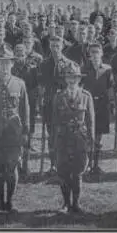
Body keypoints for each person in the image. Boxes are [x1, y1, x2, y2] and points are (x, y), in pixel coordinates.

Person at [0, 49, 30, 213]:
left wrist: (25, 131)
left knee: (12, 165)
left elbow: (24, 109)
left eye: (7, 62)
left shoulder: (20, 83)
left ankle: (9, 202)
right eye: (1, 62)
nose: (4, 65)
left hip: (13, 130)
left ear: (12, 64)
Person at [51, 62, 95, 214]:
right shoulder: (58, 96)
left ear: (79, 79)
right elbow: (54, 121)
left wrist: (91, 141)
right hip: (63, 138)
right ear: (65, 79)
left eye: (74, 77)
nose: (71, 80)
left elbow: (90, 121)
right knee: (63, 171)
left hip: (79, 139)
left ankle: (75, 204)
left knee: (77, 172)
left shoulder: (86, 96)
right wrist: (54, 142)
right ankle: (65, 203)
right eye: (69, 77)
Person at [39, 36, 75, 172]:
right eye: (52, 46)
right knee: (52, 135)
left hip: (65, 105)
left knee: (66, 133)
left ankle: (65, 162)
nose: (55, 49)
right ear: (49, 47)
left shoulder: (69, 64)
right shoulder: (44, 64)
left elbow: (72, 85)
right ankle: (53, 164)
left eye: (57, 46)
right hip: (49, 104)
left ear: (62, 47)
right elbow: (41, 86)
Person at [80, 43, 114, 174]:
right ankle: (87, 164)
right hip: (87, 105)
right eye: (92, 52)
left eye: (97, 52)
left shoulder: (107, 69)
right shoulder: (83, 69)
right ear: (89, 54)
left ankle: (96, 165)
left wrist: (112, 103)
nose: (94, 55)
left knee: (98, 137)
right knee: (88, 135)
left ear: (101, 54)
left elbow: (110, 87)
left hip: (102, 105)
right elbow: (80, 88)